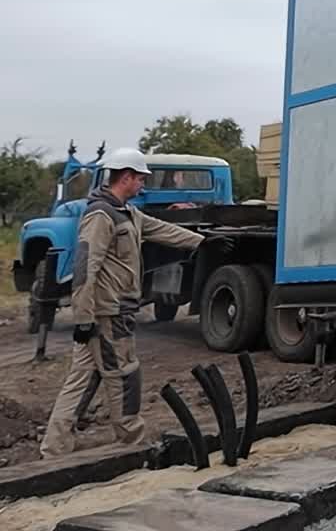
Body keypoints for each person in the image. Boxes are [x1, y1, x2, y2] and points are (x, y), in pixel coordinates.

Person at [41, 148, 223, 457]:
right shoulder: (101, 215)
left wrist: (203, 242)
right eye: (140, 179)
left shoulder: (126, 212)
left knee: (81, 379)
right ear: (126, 177)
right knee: (124, 376)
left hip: (108, 312)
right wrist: (83, 318)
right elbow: (85, 267)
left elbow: (160, 229)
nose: (143, 185)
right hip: (109, 313)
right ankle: (132, 441)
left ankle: (55, 448)